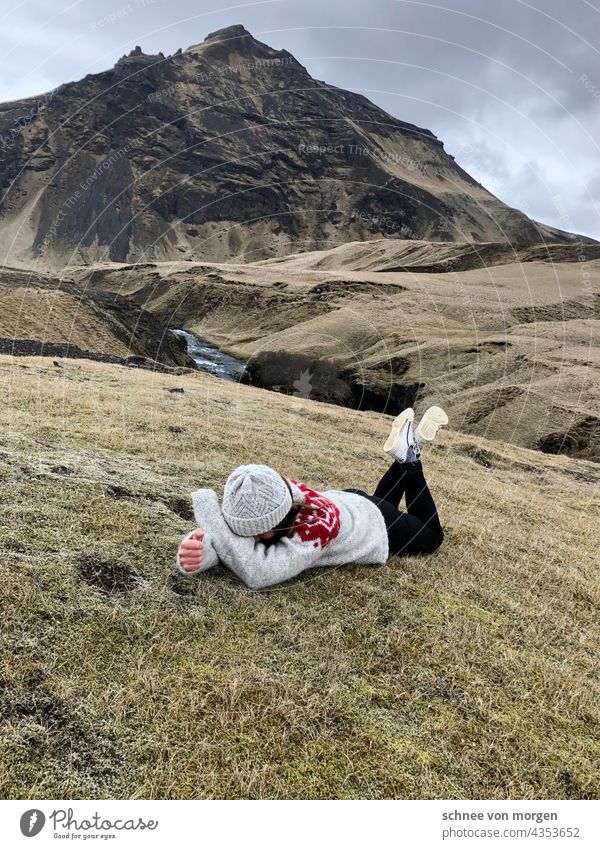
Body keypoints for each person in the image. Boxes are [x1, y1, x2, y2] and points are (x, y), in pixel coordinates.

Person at [175, 406, 448, 590]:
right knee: (383, 503)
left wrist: (208, 513)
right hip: (354, 503)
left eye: (259, 534)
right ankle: (408, 448)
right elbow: (232, 535)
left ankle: (410, 458)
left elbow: (257, 572)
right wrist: (202, 551)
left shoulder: (311, 533)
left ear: (281, 519)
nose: (252, 540)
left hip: (379, 525)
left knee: (433, 538)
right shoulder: (272, 493)